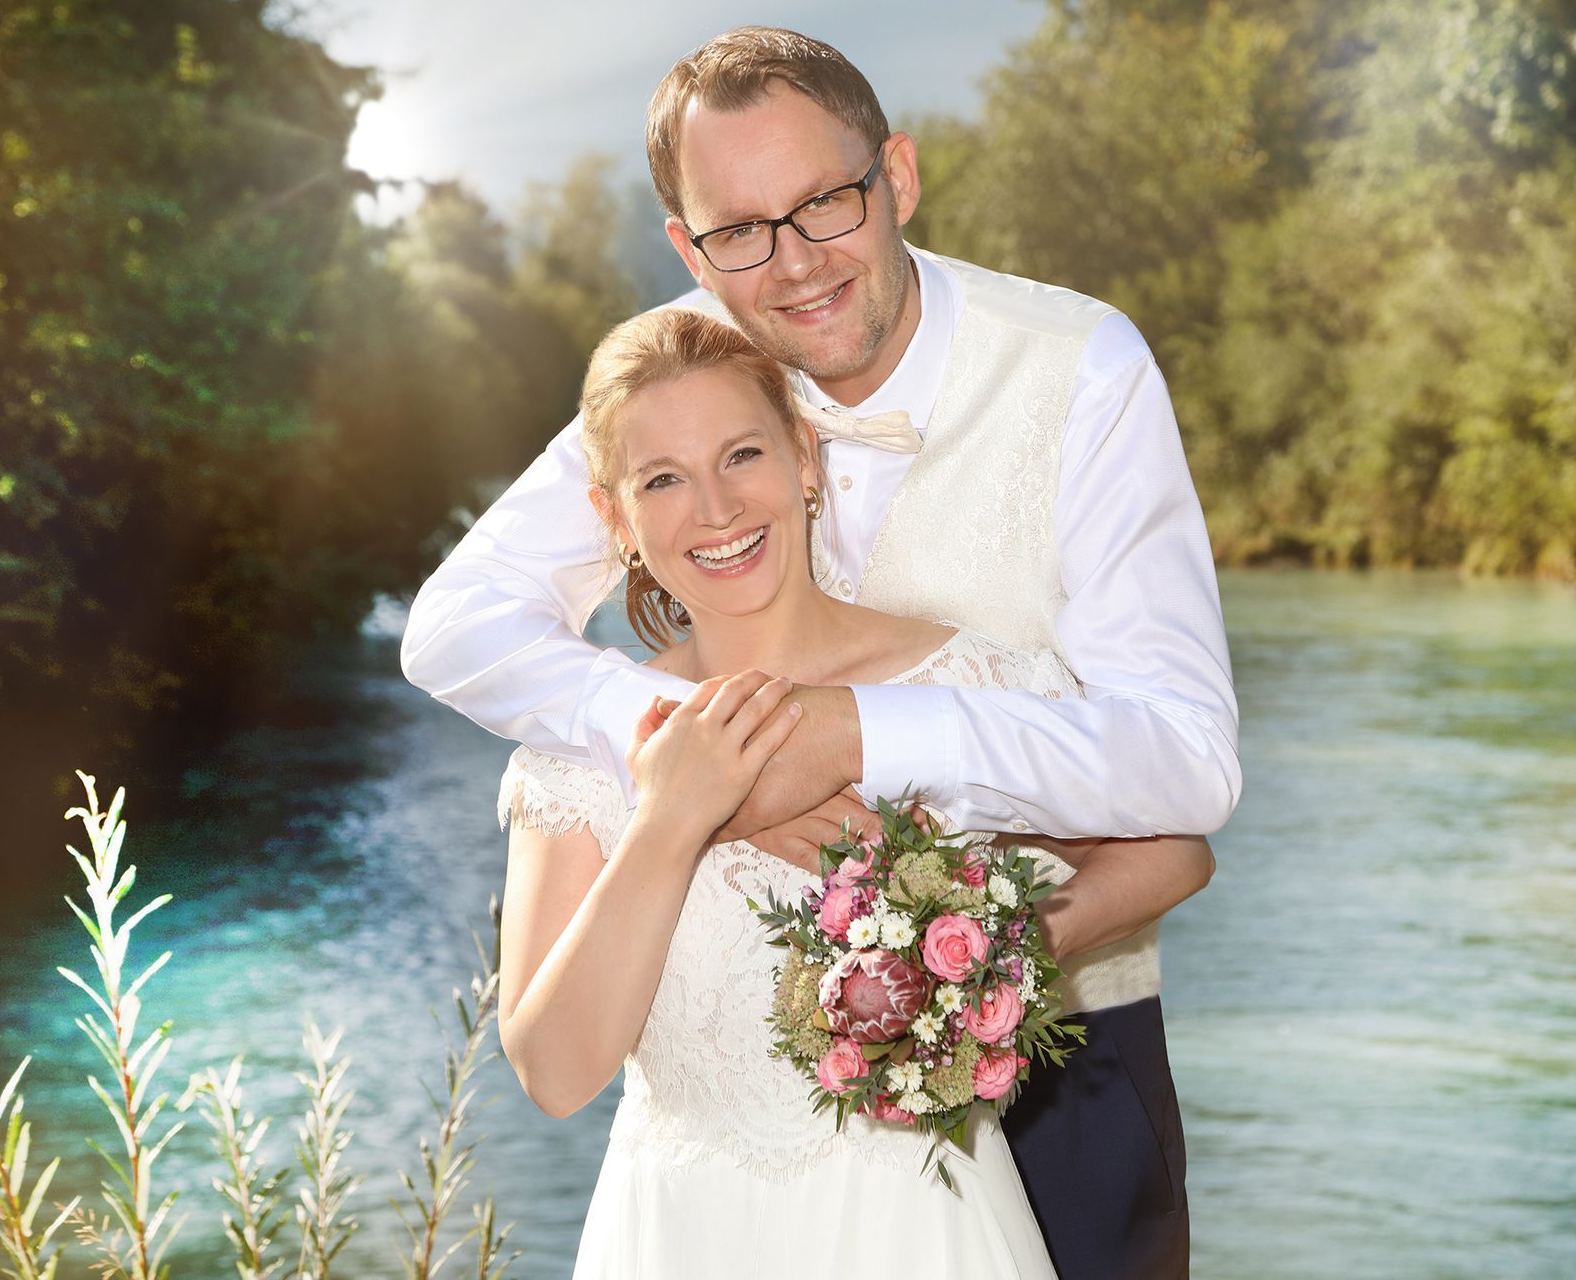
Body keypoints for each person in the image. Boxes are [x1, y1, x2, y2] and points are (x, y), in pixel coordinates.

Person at [403, 27, 1241, 1278]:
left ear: (896, 176)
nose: (792, 263)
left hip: (1065, 1055)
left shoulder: (1084, 369)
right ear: (689, 247)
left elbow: (1185, 768)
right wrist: (686, 757)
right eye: (739, 231)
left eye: (825, 204)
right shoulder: (683, 379)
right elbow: (458, 623)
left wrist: (852, 739)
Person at [495, 308, 1215, 1279]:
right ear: (616, 519)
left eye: (742, 454)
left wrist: (992, 952)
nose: (715, 507)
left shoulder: (966, 679)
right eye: (663, 479)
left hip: (927, 1232)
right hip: (678, 1236)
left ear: (804, 458)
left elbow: (1173, 848)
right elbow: (554, 1073)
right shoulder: (582, 744)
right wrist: (669, 819)